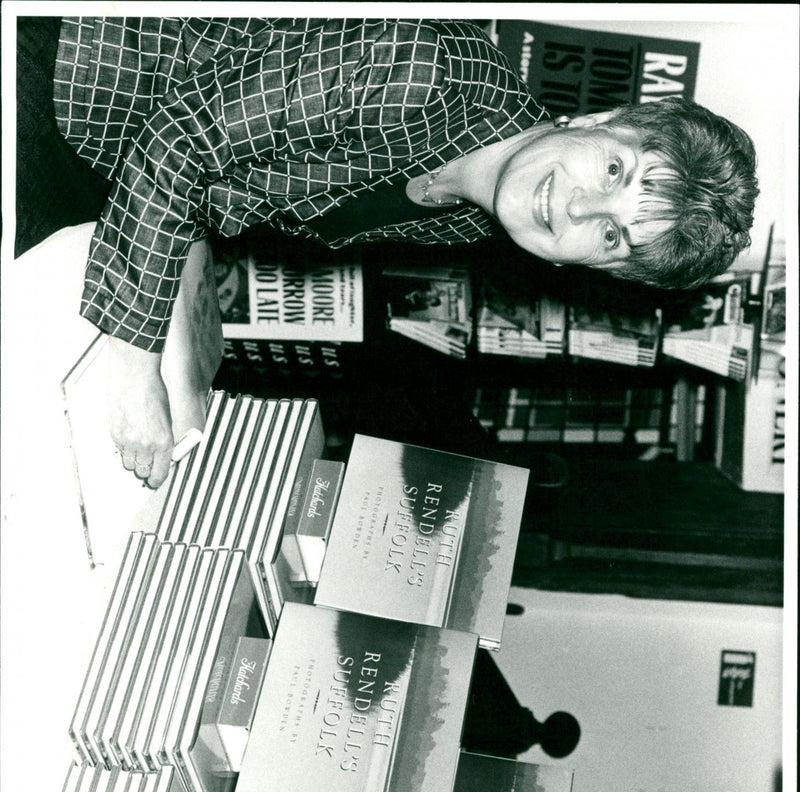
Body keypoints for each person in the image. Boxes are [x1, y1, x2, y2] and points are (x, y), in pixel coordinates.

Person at [20, 16, 759, 488]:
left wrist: (186, 322)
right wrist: (135, 364)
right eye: (614, 173)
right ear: (607, 118)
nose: (576, 206)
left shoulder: (465, 223)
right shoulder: (427, 69)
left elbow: (232, 180)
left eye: (610, 236)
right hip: (70, 68)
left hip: (103, 160)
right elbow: (182, 139)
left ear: (588, 266)